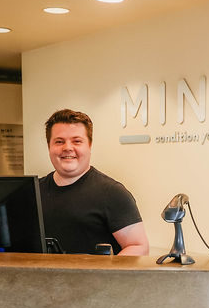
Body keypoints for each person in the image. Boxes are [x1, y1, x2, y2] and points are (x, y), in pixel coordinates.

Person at [38, 109, 148, 255]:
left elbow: (138, 246)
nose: (68, 148)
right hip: (39, 278)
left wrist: (105, 274)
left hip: (96, 278)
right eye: (59, 141)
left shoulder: (112, 193)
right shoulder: (34, 192)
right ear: (49, 146)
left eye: (77, 141)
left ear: (89, 145)